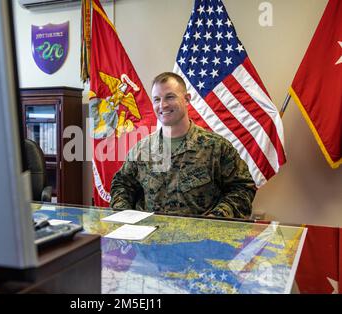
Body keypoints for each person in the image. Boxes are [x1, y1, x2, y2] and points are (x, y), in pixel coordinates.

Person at [110, 72, 257, 219]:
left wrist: (216, 218)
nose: (163, 105)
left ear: (187, 99)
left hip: (201, 238)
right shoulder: (142, 149)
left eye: (170, 97)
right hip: (151, 237)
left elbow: (242, 188)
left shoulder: (216, 147)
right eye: (156, 99)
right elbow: (122, 184)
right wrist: (125, 217)